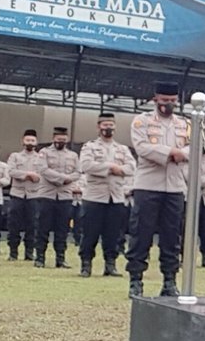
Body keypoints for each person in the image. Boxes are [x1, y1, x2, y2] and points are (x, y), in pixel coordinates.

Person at [127, 82, 186, 299]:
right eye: (164, 101)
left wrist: (181, 154)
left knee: (172, 236)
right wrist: (171, 152)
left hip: (175, 186)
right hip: (147, 186)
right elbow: (142, 148)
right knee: (141, 233)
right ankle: (136, 280)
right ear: (155, 100)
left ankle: (169, 281)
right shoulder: (142, 121)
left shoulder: (185, 124)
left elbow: (194, 148)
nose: (168, 105)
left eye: (172, 101)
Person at [77, 111, 135, 277]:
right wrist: (111, 167)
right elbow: (87, 165)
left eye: (111, 125)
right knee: (90, 233)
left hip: (115, 197)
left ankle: (110, 265)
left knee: (113, 234)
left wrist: (119, 169)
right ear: (98, 127)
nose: (108, 128)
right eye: (104, 125)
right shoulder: (90, 147)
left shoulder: (122, 149)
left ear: (115, 127)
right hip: (94, 197)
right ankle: (86, 265)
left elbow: (131, 168)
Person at [7, 130, 51, 264]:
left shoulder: (41, 158)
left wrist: (36, 177)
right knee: (13, 224)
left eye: (32, 141)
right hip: (17, 194)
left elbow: (44, 174)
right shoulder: (15, 156)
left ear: (36, 142)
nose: (30, 143)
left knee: (32, 225)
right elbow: (10, 171)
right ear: (22, 141)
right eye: (27, 140)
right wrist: (27, 175)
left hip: (34, 195)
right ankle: (13, 252)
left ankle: (29, 253)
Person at [40, 126, 78, 268]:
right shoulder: (44, 152)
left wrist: (69, 178)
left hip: (65, 196)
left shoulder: (73, 155)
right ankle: (40, 258)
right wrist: (63, 178)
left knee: (62, 229)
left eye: (63, 140)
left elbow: (78, 172)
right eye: (58, 139)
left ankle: (60, 259)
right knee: (43, 228)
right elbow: (43, 170)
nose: (60, 141)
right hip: (47, 195)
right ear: (53, 138)